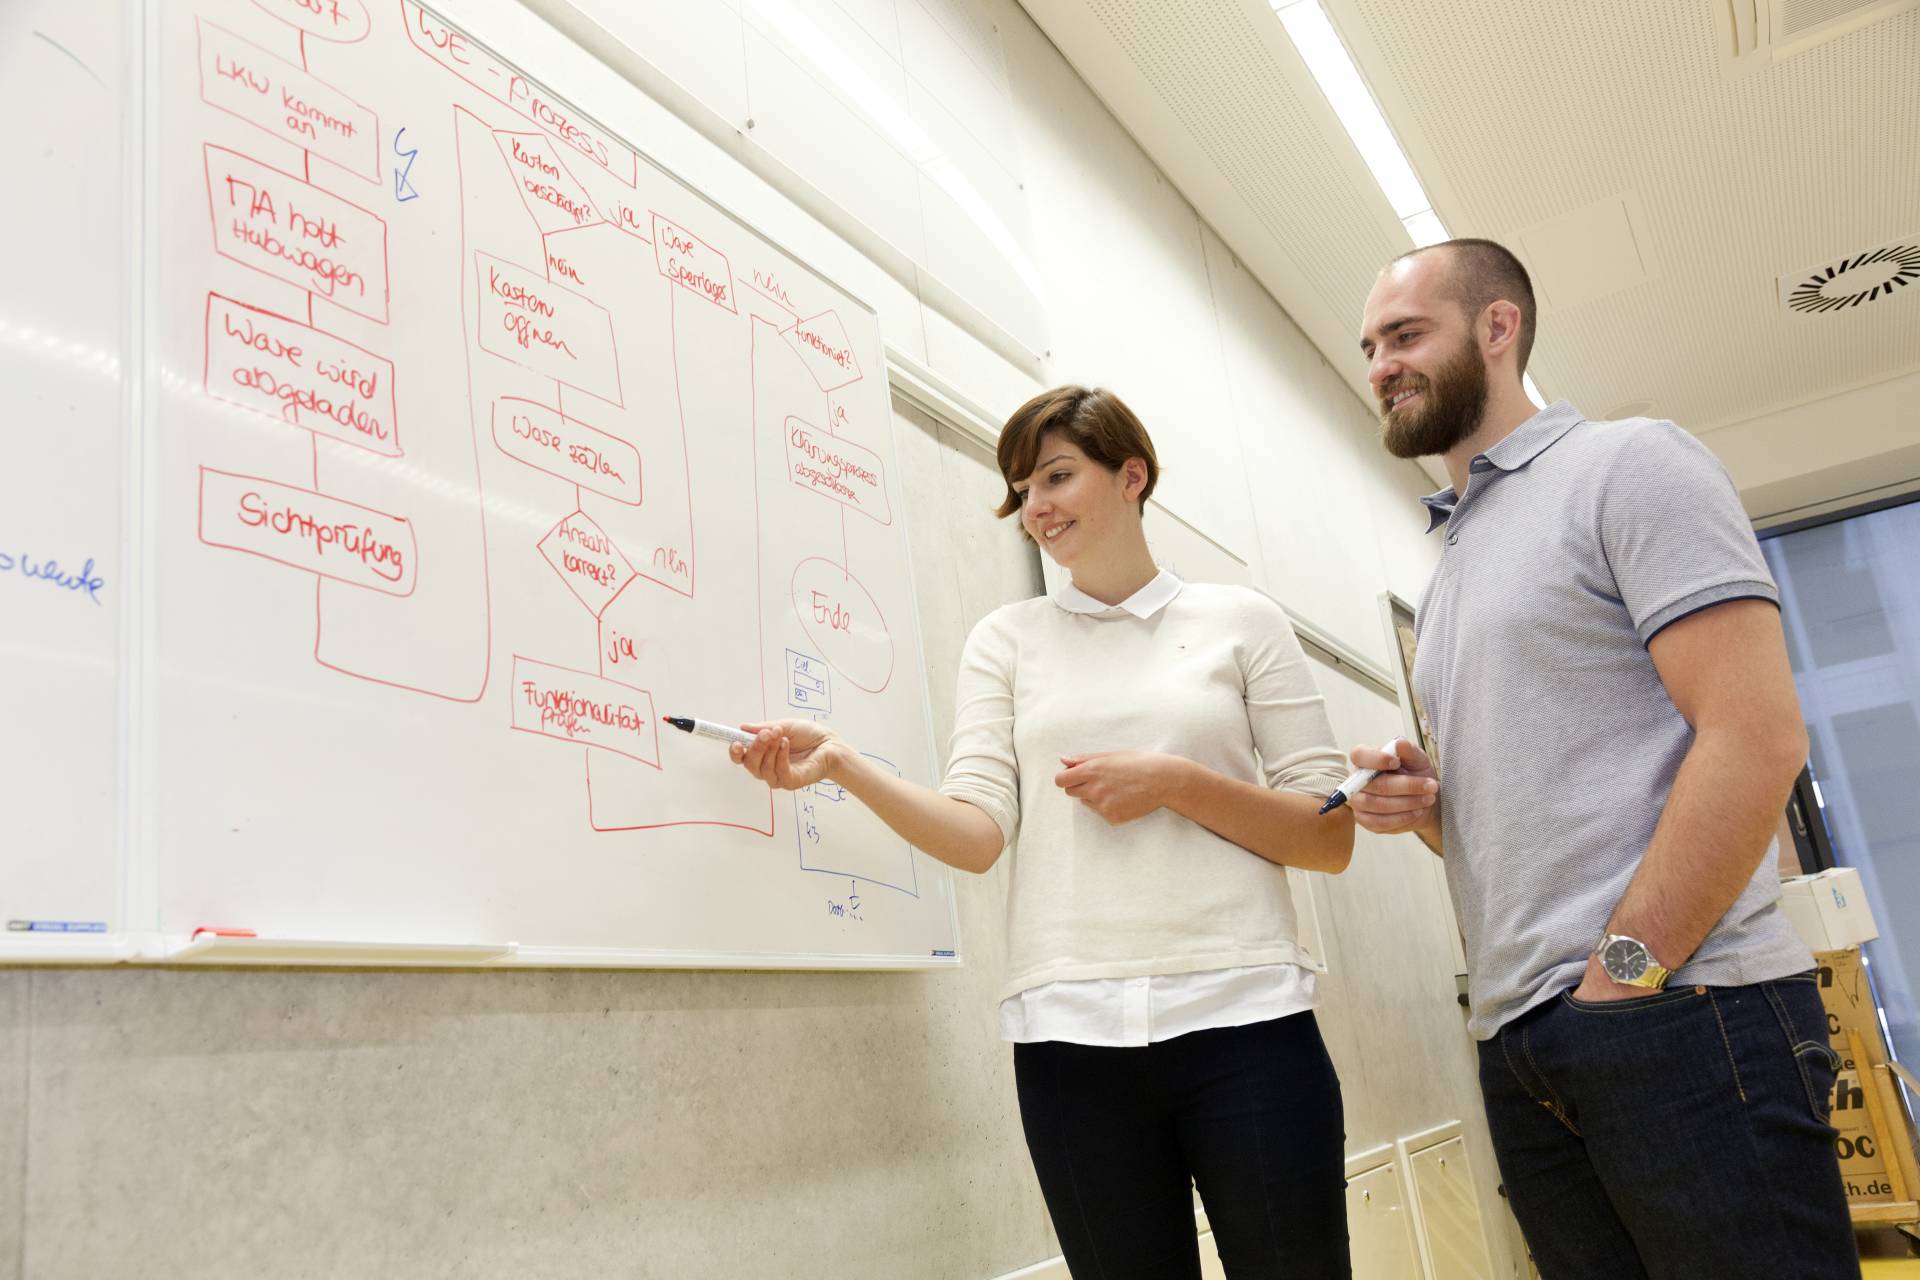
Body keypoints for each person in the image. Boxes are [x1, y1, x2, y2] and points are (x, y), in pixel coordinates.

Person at [730, 386, 1357, 1278]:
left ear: (1131, 475)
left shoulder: (1241, 621)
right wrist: (840, 762)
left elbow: (1327, 837)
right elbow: (978, 833)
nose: (1038, 508)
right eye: (1024, 490)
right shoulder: (1006, 640)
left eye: (1058, 477)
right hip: (1070, 1041)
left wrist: (1176, 783)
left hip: (1246, 1023)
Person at [1347, 239, 1856, 1278]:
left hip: (1680, 1012)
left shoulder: (1628, 463)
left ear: (1499, 329)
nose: (1380, 366)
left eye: (1405, 335)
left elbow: (1756, 733)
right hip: (1526, 1046)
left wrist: (1623, 980)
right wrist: (1431, 804)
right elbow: (1518, 821)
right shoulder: (1451, 567)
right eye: (1368, 347)